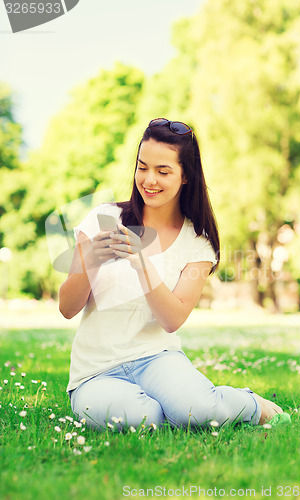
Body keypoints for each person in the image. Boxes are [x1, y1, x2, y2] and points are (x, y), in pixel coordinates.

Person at [59, 118, 283, 431]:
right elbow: (67, 308)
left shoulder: (198, 242)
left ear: (186, 176)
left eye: (163, 171)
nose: (149, 180)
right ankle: (167, 406)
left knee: (200, 413)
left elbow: (172, 319)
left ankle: (250, 404)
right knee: (142, 419)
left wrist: (141, 262)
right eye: (142, 167)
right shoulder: (103, 218)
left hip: (157, 358)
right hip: (96, 371)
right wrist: (91, 261)